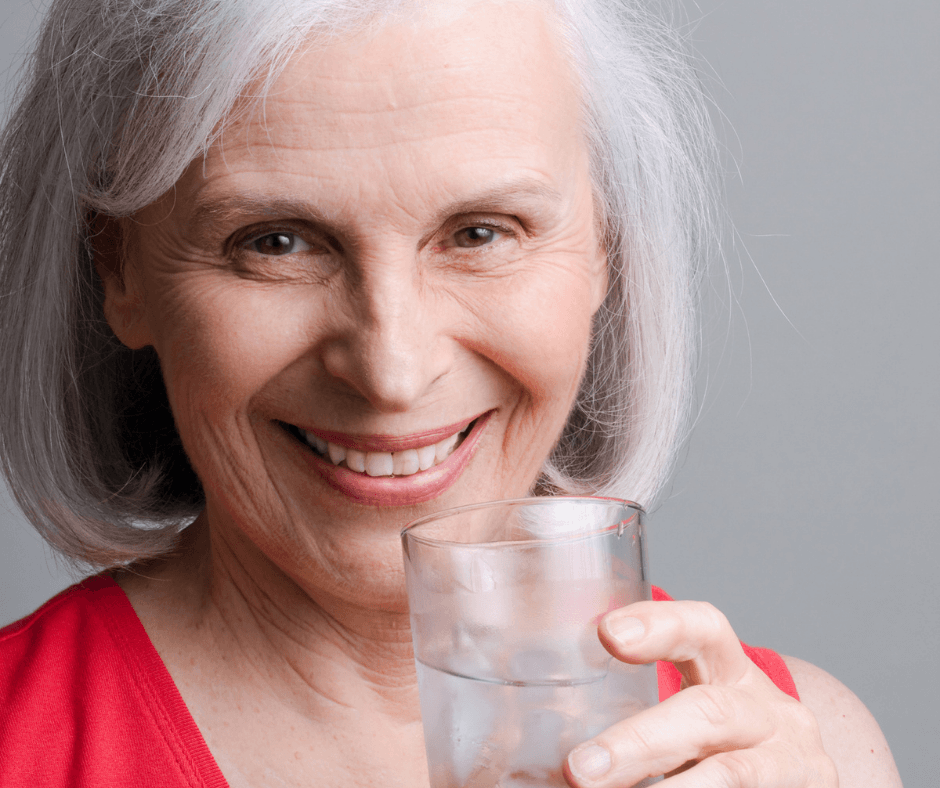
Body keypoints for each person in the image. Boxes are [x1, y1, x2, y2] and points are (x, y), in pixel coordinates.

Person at [0, 0, 901, 786]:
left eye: (480, 231)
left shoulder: (807, 754)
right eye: (275, 242)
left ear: (606, 248)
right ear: (118, 269)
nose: (393, 371)